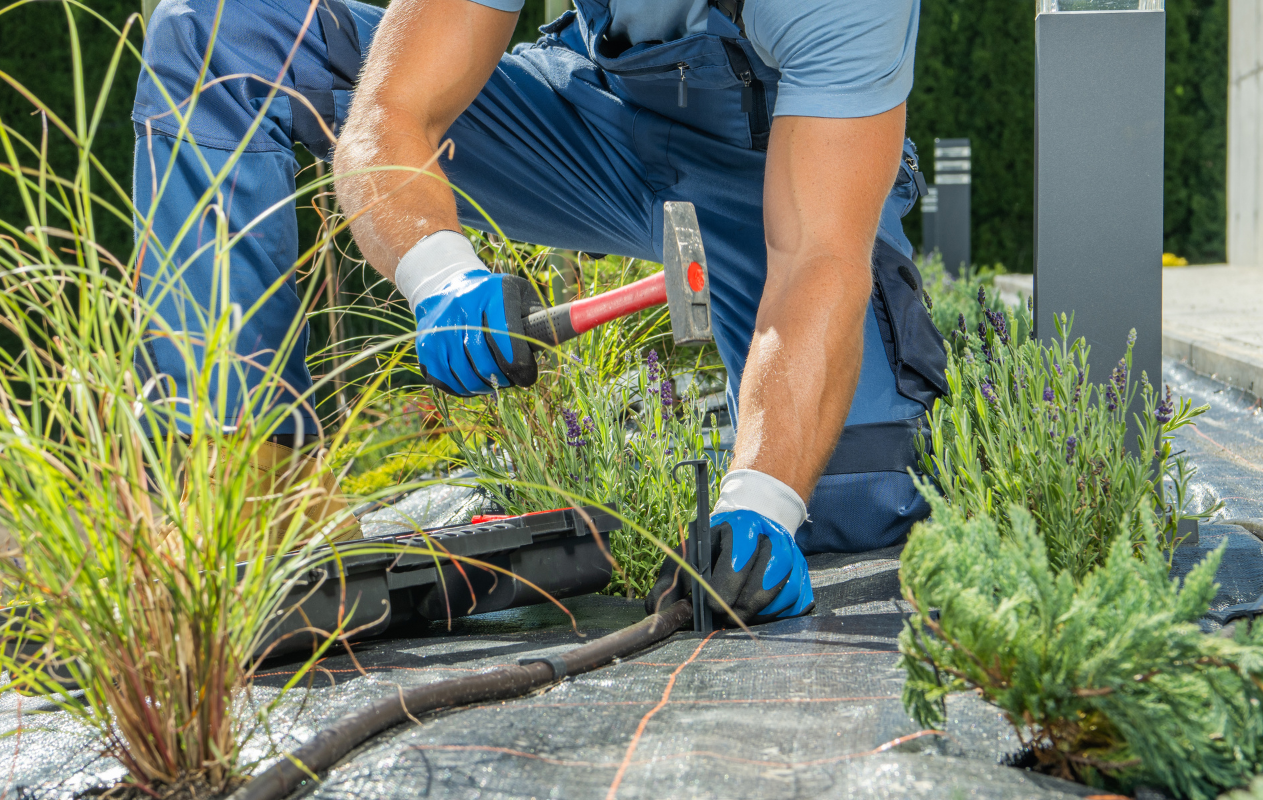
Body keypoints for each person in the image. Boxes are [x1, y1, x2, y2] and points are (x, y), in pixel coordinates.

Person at [134, 0, 948, 626]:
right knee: (222, 34)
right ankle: (239, 497)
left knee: (847, 497)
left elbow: (819, 261)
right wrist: (439, 273)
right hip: (593, 119)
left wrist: (763, 502)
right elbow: (393, 111)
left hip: (768, 172)